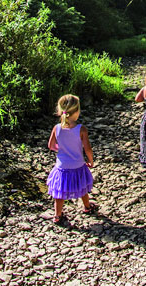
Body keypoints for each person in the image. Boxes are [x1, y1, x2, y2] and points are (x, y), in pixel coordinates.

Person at [46, 94, 97, 224]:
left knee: (60, 192)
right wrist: (91, 160)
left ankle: (57, 215)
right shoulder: (81, 129)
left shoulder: (57, 128)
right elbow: (88, 149)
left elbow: (51, 146)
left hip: (62, 166)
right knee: (82, 187)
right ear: (77, 111)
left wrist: (62, 149)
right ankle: (87, 207)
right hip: (78, 165)